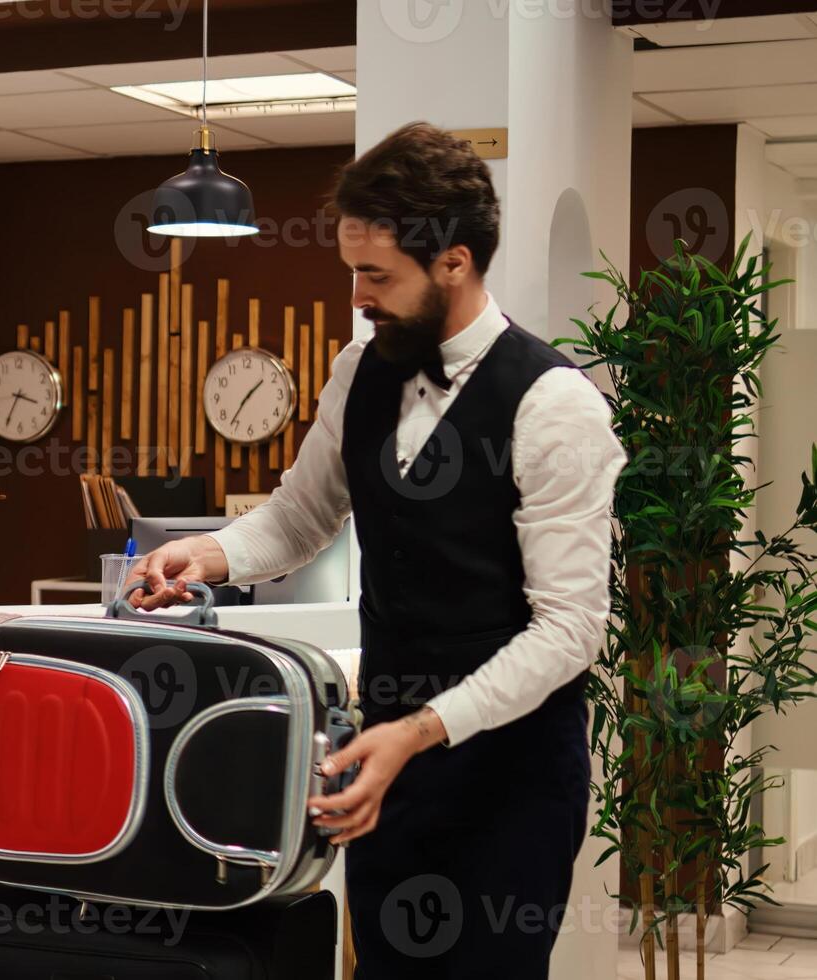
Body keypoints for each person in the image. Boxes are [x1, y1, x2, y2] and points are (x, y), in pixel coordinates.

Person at [129, 123, 624, 978]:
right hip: (381, 763)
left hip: (507, 779)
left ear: (455, 263)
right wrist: (203, 555)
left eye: (377, 276)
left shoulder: (554, 406)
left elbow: (570, 631)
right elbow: (296, 518)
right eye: (352, 269)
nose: (357, 293)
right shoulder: (358, 370)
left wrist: (420, 731)